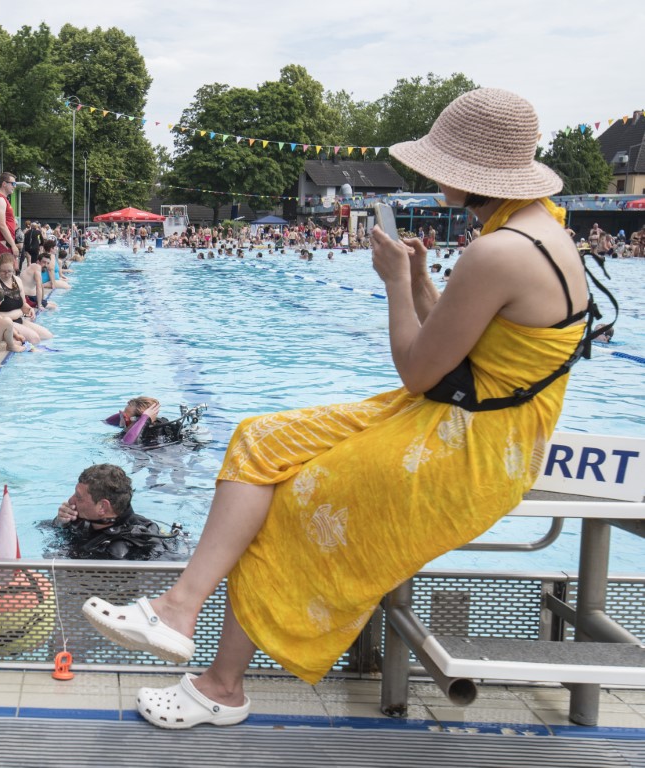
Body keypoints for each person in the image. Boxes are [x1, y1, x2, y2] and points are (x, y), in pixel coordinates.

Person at [83, 88, 596, 729]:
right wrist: (421, 281)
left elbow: (417, 371)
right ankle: (179, 609)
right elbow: (468, 350)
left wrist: (391, 285)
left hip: (475, 445)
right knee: (258, 438)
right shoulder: (539, 228)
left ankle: (220, 685)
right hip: (471, 416)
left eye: (436, 164)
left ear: (467, 173)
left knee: (289, 500)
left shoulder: (498, 251)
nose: (423, 175)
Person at [51, 464, 181, 561]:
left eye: (78, 497)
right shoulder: (87, 520)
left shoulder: (119, 554)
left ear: (102, 507)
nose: (71, 500)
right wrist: (60, 522)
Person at [0, 253, 52, 345]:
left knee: (48, 336)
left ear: (14, 267)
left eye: (9, 271)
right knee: (34, 339)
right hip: (3, 324)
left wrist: (29, 309)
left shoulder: (17, 281)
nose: (7, 274)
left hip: (18, 320)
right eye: (3, 271)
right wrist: (17, 313)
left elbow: (23, 304)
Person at [105, 397, 203, 448]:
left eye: (124, 418)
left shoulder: (147, 438)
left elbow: (127, 443)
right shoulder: (133, 426)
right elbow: (106, 422)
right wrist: (124, 415)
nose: (120, 420)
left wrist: (144, 418)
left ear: (140, 422)